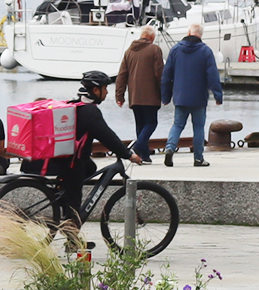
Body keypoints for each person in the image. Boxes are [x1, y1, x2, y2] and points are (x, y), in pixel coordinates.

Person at [42, 71, 140, 225]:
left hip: (64, 159)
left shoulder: (76, 103)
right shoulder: (90, 111)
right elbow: (107, 136)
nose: (107, 92)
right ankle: (71, 231)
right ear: (95, 90)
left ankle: (63, 203)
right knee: (74, 202)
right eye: (105, 88)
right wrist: (128, 154)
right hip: (72, 163)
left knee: (90, 168)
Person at [159, 23, 223, 167]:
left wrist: (165, 96)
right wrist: (218, 95)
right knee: (198, 128)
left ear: (189, 32)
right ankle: (198, 158)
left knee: (177, 125)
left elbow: (166, 75)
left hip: (180, 97)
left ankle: (170, 148)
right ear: (201, 35)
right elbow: (212, 75)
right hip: (199, 97)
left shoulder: (175, 50)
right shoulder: (206, 51)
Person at [115, 26, 166, 161]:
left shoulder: (129, 52)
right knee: (151, 123)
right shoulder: (155, 49)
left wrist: (119, 96)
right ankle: (138, 146)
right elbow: (159, 74)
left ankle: (144, 157)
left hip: (134, 97)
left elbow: (122, 75)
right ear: (151, 37)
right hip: (150, 96)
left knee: (140, 125)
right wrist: (164, 93)